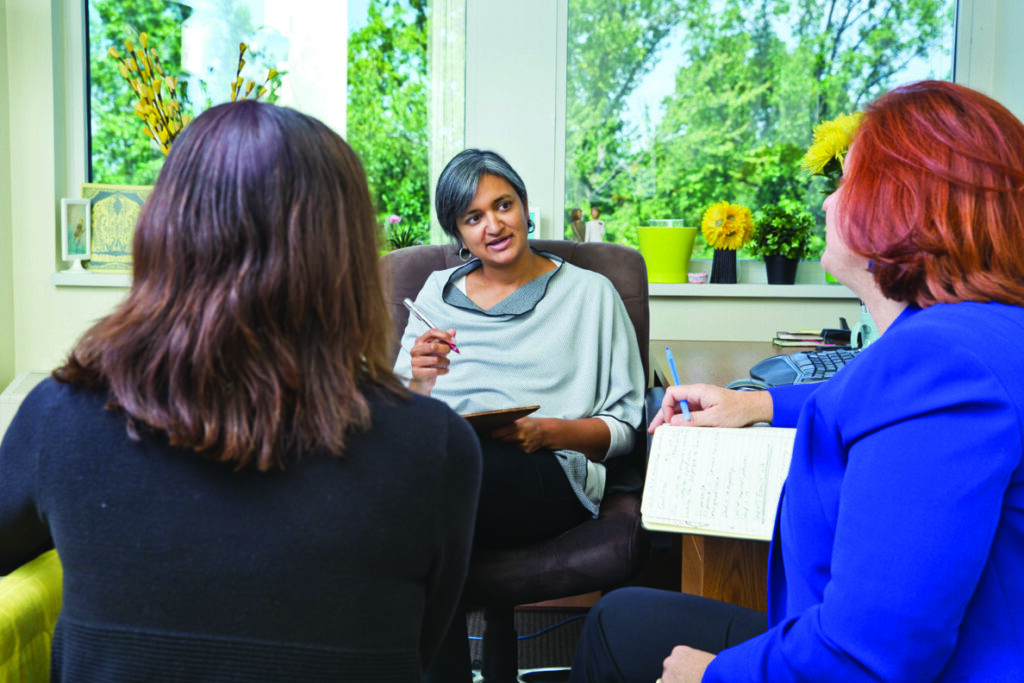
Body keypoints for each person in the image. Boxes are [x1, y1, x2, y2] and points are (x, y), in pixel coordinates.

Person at [0, 101, 482, 682]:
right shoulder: (436, 446)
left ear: (164, 238)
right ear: (346, 257)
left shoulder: (60, 416)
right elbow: (419, 646)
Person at [570, 80, 1024, 682]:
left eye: (847, 182)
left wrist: (713, 677)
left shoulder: (937, 361)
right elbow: (884, 405)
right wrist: (754, 402)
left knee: (625, 628)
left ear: (898, 206)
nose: (831, 202)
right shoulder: (971, 341)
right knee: (621, 617)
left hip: (884, 659)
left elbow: (868, 654)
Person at [393, 148, 645, 681]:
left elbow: (626, 431)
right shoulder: (436, 293)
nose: (494, 225)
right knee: (420, 488)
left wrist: (547, 433)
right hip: (447, 469)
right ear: (459, 233)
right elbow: (401, 418)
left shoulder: (591, 295)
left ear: (525, 206)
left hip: (549, 475)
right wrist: (421, 376)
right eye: (473, 217)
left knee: (415, 505)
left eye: (502, 205)